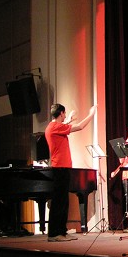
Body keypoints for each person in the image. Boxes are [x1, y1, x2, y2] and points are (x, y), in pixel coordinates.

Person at [45, 103, 97, 242]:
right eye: (64, 114)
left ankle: (62, 231)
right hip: (60, 168)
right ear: (61, 113)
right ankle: (54, 234)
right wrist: (91, 114)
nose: (65, 116)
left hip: (62, 167)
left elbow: (63, 126)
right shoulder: (55, 127)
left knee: (63, 201)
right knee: (59, 202)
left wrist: (68, 120)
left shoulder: (54, 126)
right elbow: (79, 127)